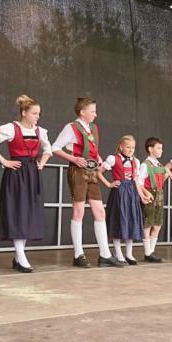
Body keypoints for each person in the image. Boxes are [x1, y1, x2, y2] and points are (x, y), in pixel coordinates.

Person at [0, 94, 52, 273]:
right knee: (18, 212)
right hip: (16, 173)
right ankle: (21, 257)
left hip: (32, 173)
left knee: (28, 213)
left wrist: (42, 163)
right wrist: (4, 161)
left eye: (39, 113)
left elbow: (48, 149)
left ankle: (18, 256)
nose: (37, 116)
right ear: (24, 113)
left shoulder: (40, 131)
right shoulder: (11, 128)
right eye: (34, 113)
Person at [51, 97, 123, 268]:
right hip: (77, 172)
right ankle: (78, 254)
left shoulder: (93, 128)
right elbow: (55, 148)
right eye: (92, 111)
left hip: (92, 173)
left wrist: (98, 158)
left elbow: (93, 149)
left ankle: (105, 254)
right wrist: (74, 159)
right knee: (79, 212)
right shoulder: (71, 127)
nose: (95, 114)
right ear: (82, 112)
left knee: (100, 212)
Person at [101, 136, 154, 266]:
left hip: (132, 193)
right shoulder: (113, 159)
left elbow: (136, 181)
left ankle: (129, 254)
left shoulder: (136, 161)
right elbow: (98, 172)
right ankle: (118, 253)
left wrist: (142, 196)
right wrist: (109, 184)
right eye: (128, 147)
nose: (131, 150)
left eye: (133, 148)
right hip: (119, 193)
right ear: (121, 147)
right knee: (119, 221)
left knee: (131, 222)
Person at [140, 137, 170, 263]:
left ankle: (151, 252)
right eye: (158, 148)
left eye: (161, 148)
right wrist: (146, 193)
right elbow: (139, 183)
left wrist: (166, 176)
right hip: (150, 195)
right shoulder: (145, 165)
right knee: (148, 224)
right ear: (150, 149)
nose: (161, 150)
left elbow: (160, 181)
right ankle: (148, 252)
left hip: (159, 195)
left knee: (157, 225)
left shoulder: (159, 165)